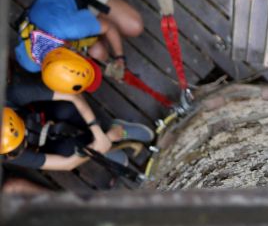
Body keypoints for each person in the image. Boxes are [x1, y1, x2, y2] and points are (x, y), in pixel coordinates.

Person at [1, 73, 154, 173]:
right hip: (46, 140)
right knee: (69, 152)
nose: (22, 148)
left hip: (48, 109)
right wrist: (98, 147)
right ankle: (104, 145)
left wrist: (98, 132)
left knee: (67, 109)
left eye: (21, 143)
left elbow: (72, 95)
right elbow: (66, 164)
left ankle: (111, 128)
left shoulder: (11, 95)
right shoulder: (7, 151)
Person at [15, 0, 143, 77]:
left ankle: (94, 22)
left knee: (134, 27)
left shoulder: (69, 28)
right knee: (99, 53)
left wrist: (120, 58)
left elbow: (109, 26)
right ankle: (93, 25)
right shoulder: (31, 63)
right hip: (57, 14)